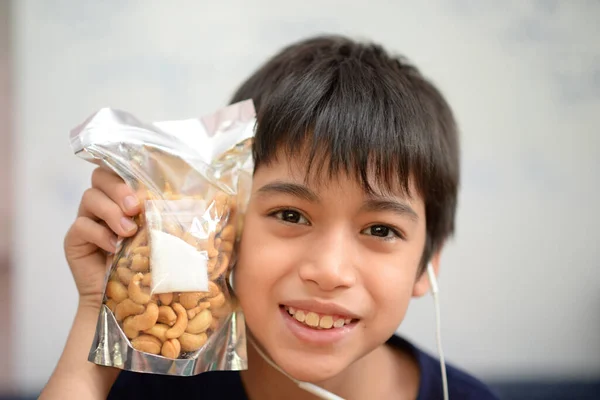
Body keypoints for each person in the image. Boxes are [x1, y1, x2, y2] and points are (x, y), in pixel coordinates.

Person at [40, 35, 499, 399]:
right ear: (224, 228)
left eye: (380, 229)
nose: (328, 271)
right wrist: (95, 308)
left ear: (428, 265)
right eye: (291, 215)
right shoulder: (158, 379)